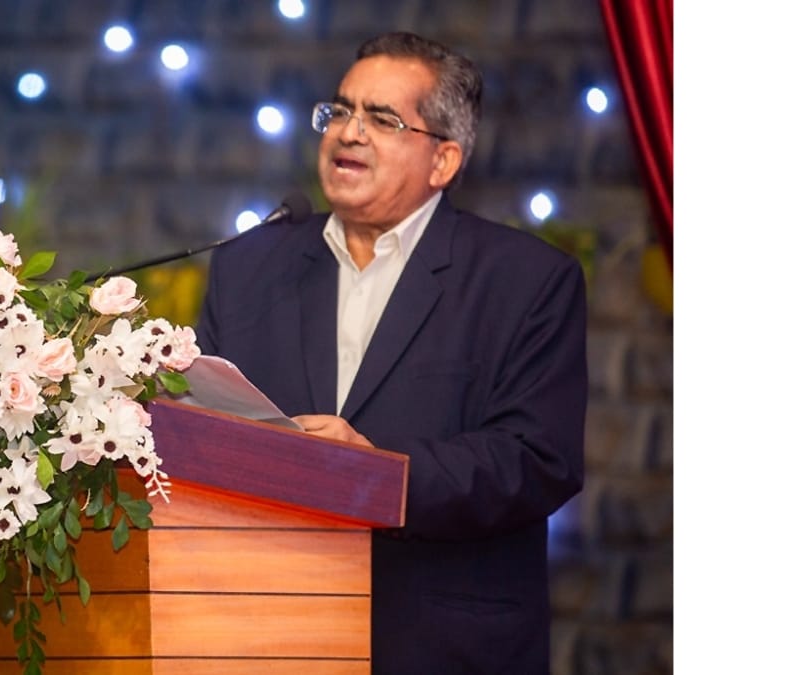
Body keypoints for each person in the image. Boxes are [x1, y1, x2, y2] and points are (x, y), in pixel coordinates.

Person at [196, 31, 587, 674]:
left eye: (382, 119)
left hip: (439, 642)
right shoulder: (248, 267)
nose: (349, 133)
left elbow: (538, 459)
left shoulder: (526, 280)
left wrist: (376, 472)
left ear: (443, 161)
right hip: (267, 628)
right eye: (340, 110)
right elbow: (203, 429)